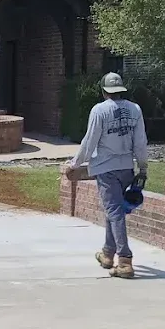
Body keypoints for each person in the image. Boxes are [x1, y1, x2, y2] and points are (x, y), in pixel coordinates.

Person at [64, 72, 149, 279]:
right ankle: (107, 254)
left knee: (115, 212)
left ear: (103, 91)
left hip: (105, 169)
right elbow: (140, 142)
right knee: (114, 211)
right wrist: (143, 168)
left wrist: (74, 164)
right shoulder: (134, 109)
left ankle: (125, 261)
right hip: (126, 168)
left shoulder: (99, 110)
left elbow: (89, 141)